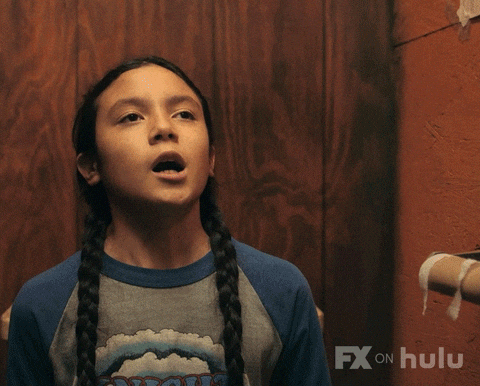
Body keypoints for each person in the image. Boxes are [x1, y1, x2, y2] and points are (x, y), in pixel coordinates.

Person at [7, 56, 331, 386]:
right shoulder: (43, 305)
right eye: (131, 116)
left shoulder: (281, 291)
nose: (164, 128)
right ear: (92, 166)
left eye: (184, 114)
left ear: (211, 159)